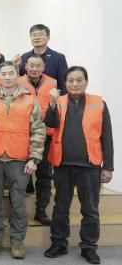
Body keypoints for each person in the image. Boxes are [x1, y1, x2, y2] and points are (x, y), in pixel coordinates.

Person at [44, 66, 114, 265]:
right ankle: (59, 243)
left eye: (79, 80)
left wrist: (108, 166)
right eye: (70, 81)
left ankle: (89, 247)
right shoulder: (58, 101)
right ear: (65, 83)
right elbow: (50, 124)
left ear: (86, 82)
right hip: (62, 164)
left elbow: (107, 136)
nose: (74, 84)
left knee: (90, 209)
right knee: (60, 207)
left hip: (90, 165)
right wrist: (51, 103)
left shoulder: (99, 103)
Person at [0, 62, 46, 259]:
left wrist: (34, 158)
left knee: (18, 203)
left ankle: (17, 242)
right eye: (3, 74)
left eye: (11, 73)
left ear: (18, 75)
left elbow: (38, 131)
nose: (7, 77)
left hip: (19, 159)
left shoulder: (29, 99)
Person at [19, 54, 58, 225]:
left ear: (43, 68)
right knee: (19, 176)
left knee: (44, 175)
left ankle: (41, 211)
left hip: (46, 135)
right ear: (25, 66)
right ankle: (18, 212)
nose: (34, 69)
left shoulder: (53, 83)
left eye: (38, 66)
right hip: (22, 134)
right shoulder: (17, 81)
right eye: (31, 65)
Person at [16, 24, 69, 92]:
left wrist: (60, 97)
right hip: (28, 96)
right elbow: (19, 80)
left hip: (51, 96)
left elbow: (63, 84)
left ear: (48, 37)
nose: (37, 38)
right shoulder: (24, 57)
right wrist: (15, 67)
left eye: (40, 35)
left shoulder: (59, 58)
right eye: (34, 35)